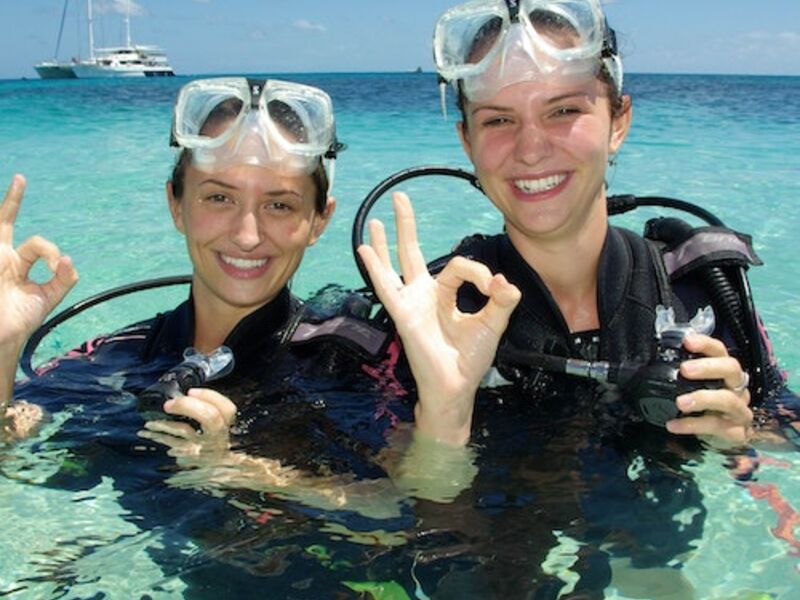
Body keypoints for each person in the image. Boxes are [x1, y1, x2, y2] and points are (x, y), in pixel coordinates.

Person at [357, 0, 786, 449]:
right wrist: (445, 411)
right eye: (499, 119)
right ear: (467, 141)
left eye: (562, 111)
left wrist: (742, 434)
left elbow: (785, 431)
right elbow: (391, 504)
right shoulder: (433, 316)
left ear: (618, 121)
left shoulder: (702, 291)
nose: (530, 149)